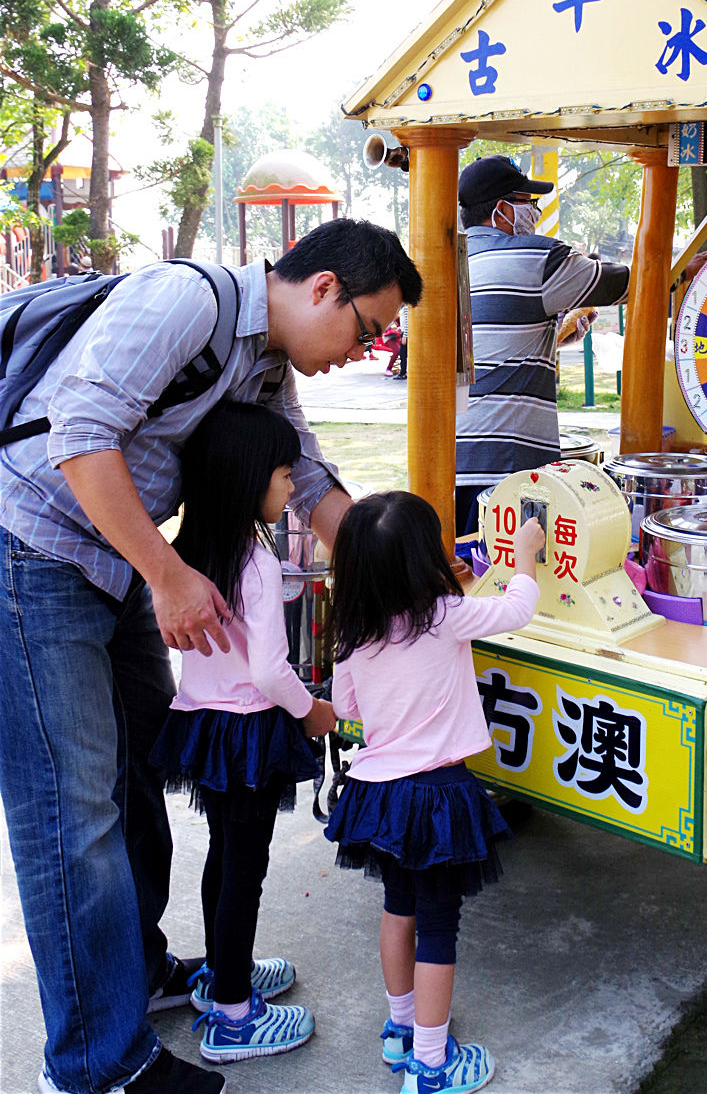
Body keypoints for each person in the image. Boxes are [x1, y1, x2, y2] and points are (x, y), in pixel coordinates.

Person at [0, 218, 422, 1094]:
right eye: (368, 327)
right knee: (70, 812)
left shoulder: (266, 364)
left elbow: (308, 479)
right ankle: (97, 1068)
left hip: (111, 560)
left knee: (136, 776)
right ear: (322, 288)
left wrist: (410, 583)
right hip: (29, 551)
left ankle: (136, 974)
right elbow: (81, 432)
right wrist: (169, 575)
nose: (367, 349)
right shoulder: (186, 301)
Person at [323, 491, 543, 1094]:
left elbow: (346, 708)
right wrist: (525, 555)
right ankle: (431, 1066)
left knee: (399, 910)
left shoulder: (356, 630)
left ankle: (400, 1032)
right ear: (425, 561)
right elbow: (518, 609)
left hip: (379, 796)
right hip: (438, 796)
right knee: (440, 927)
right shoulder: (445, 614)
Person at [149, 401, 338, 1064]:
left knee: (224, 858)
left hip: (203, 724)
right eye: (284, 474)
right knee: (245, 869)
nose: (291, 488)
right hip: (251, 730)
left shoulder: (189, 551)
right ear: (247, 478)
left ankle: (225, 973)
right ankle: (233, 1015)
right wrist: (310, 711)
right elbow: (268, 668)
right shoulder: (257, 564)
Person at [455, 155, 630, 536]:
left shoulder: (446, 261)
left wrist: (558, 331)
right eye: (527, 202)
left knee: (465, 578)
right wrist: (685, 270)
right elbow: (635, 283)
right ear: (502, 210)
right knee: (515, 576)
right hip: (509, 467)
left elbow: (491, 350)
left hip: (447, 463)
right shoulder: (537, 256)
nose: (534, 212)